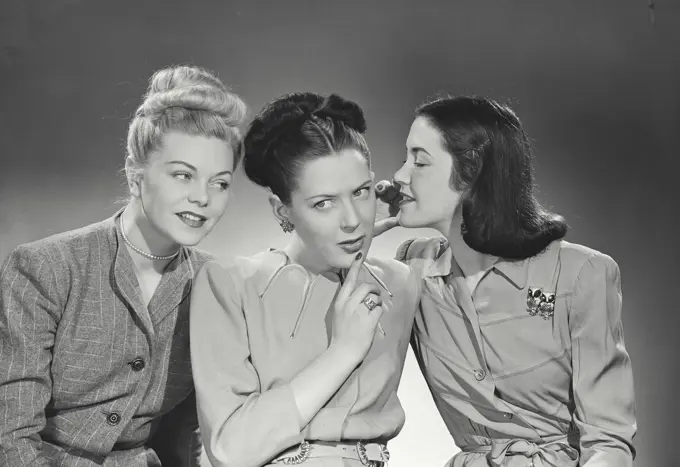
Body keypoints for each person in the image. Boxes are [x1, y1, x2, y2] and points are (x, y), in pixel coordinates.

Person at [0, 65, 247, 466]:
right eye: (184, 175)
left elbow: (186, 433)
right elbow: (9, 434)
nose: (203, 197)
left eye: (219, 183)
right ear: (136, 177)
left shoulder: (214, 282)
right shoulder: (45, 268)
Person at [376, 96, 636, 467]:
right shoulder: (413, 267)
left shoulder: (582, 272)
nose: (400, 175)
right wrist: (349, 232)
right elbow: (344, 368)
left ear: (472, 173)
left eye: (418, 161)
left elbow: (609, 443)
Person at [189, 92, 420, 467]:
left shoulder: (401, 281)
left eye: (360, 193)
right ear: (283, 210)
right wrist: (343, 352)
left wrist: (419, 208)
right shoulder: (230, 285)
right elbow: (231, 449)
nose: (351, 220)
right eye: (323, 203)